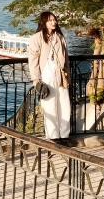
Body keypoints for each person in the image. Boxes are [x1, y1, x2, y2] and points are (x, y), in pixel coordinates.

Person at [27, 11, 71, 140]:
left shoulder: (59, 37)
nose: (53, 22)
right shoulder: (37, 38)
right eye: (50, 20)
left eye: (54, 20)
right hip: (46, 75)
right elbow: (33, 61)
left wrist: (67, 76)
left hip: (60, 75)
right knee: (50, 107)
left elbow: (66, 60)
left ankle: (64, 136)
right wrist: (36, 80)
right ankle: (53, 137)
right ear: (44, 22)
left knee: (64, 106)